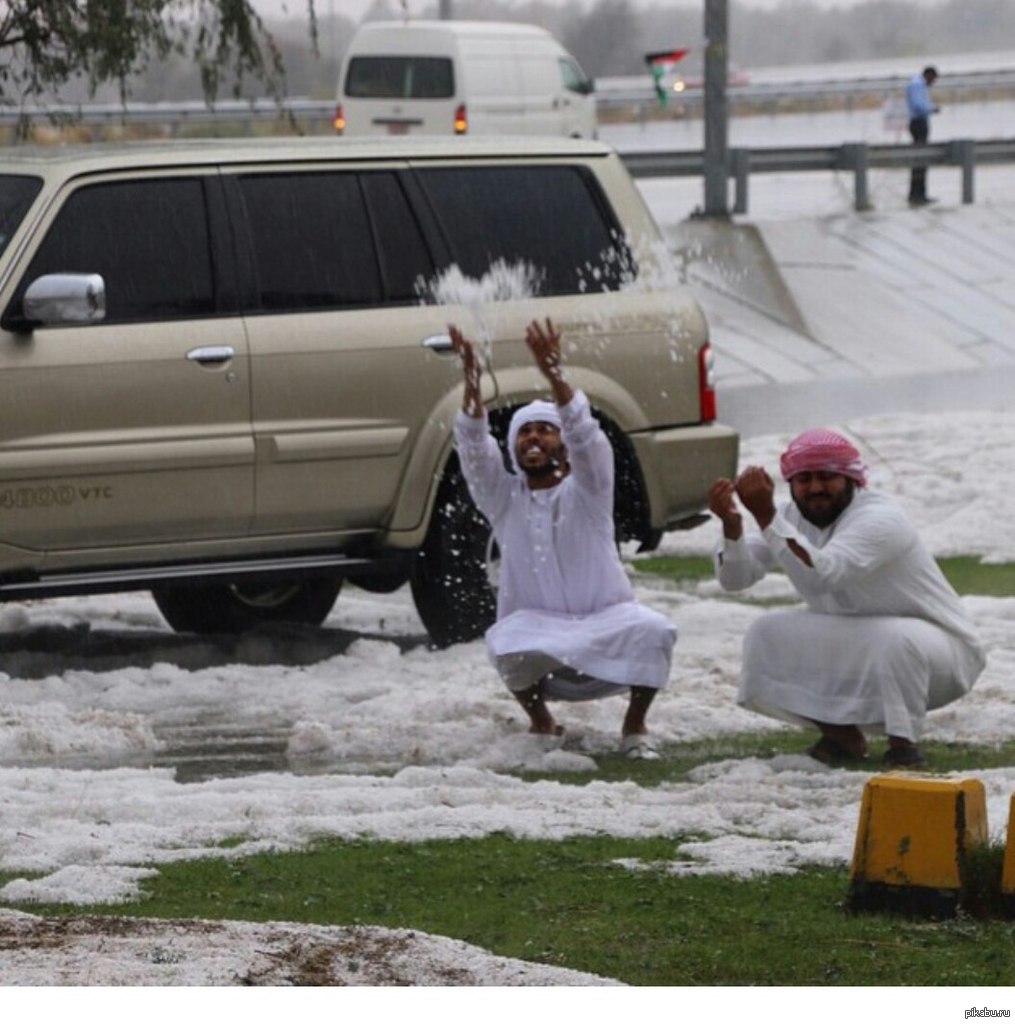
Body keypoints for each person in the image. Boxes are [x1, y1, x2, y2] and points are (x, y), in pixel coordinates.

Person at [450, 318, 677, 759]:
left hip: (604, 620)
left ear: (562, 445)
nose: (534, 438)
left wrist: (555, 374)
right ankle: (542, 722)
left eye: (544, 430)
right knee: (506, 640)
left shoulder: (590, 489)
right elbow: (474, 447)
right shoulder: (503, 498)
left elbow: (586, 434)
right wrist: (472, 379)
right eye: (524, 433)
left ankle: (634, 727)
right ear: (515, 448)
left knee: (654, 630)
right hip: (539, 627)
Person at [708, 427, 985, 768]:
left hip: (943, 651)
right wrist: (732, 528)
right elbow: (735, 579)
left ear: (852, 479)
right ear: (791, 484)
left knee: (896, 640)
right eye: (803, 479)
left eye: (827, 477)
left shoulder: (881, 518)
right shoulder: (790, 516)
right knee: (765, 632)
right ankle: (840, 736)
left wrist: (766, 517)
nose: (815, 488)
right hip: (862, 638)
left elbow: (825, 574)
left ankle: (903, 747)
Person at [906, 65, 940, 206]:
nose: (932, 84)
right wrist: (933, 108)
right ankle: (917, 195)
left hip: (919, 122)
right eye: (933, 80)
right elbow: (918, 105)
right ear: (929, 76)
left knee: (920, 159)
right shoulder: (917, 85)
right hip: (918, 123)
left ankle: (919, 193)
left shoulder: (916, 84)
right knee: (920, 159)